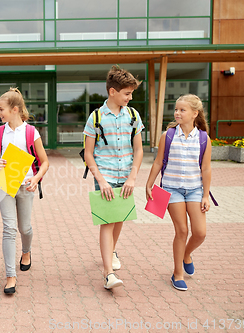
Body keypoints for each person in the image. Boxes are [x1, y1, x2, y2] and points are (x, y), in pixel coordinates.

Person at [83, 66, 144, 290]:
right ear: (112, 92)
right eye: (127, 93)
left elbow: (138, 150)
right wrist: (101, 181)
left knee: (119, 220)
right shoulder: (96, 117)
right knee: (107, 223)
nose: (130, 97)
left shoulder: (133, 116)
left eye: (131, 94)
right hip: (105, 177)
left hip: (126, 178)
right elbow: (89, 153)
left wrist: (132, 178)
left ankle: (111, 251)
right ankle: (108, 274)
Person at [145, 94, 211, 291]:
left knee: (200, 233)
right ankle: (177, 273)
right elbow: (158, 162)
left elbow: (206, 169)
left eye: (182, 110)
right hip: (172, 189)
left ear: (194, 113)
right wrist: (149, 184)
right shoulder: (169, 135)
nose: (177, 113)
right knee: (182, 231)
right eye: (176, 109)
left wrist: (205, 195)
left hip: (194, 190)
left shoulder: (203, 138)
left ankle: (186, 254)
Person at [0, 88, 49, 295]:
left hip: (25, 185)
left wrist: (36, 177)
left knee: (25, 228)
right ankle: (10, 276)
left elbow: (45, 162)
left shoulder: (31, 132)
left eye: (1, 109)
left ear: (14, 109)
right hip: (5, 183)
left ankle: (26, 252)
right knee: (9, 229)